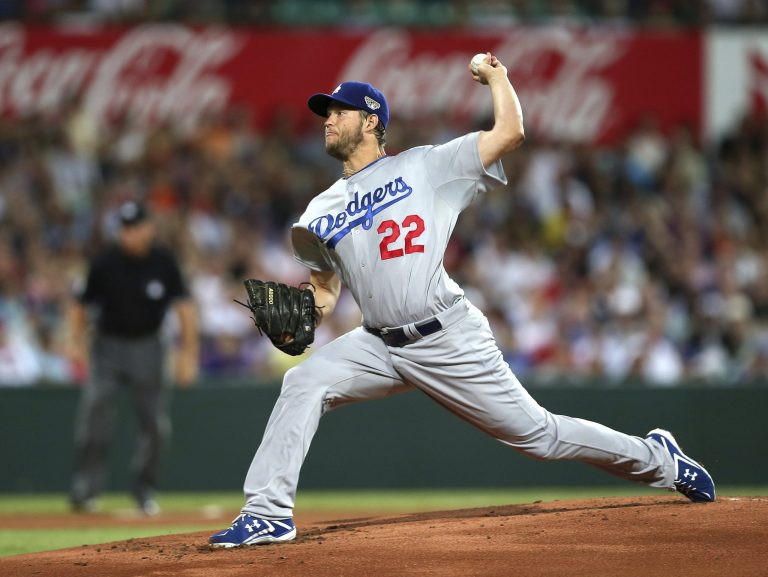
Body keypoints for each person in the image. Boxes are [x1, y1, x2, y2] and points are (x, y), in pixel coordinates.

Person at [208, 54, 715, 547]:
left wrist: (497, 77)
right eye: (326, 113)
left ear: (370, 121)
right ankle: (268, 513)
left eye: (338, 111)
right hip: (378, 344)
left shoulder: (427, 166)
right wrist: (307, 319)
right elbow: (324, 291)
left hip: (444, 334)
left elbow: (510, 132)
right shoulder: (319, 211)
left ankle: (658, 459)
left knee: (537, 436)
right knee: (303, 381)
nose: (327, 120)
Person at [68, 201, 199, 515]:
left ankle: (144, 490)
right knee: (96, 415)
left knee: (154, 423)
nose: (127, 234)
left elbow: (184, 308)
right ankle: (85, 490)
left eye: (133, 228)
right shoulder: (105, 262)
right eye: (123, 229)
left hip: (149, 346)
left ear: (149, 228)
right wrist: (74, 342)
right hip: (108, 347)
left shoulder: (163, 262)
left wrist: (188, 353)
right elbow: (80, 304)